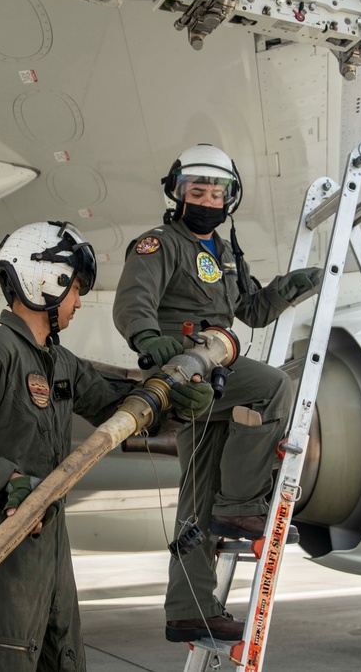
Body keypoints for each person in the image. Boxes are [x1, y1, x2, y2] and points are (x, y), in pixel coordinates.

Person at [0, 220, 214, 671]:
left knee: (62, 657)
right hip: (0, 542)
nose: (78, 302)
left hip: (51, 545)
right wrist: (10, 482)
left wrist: (176, 401)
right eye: (76, 288)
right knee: (0, 658)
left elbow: (121, 408)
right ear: (46, 281)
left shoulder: (61, 363)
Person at [112, 144, 322, 643]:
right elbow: (133, 303)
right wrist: (149, 343)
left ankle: (190, 611)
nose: (206, 198)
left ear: (230, 198)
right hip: (186, 367)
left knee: (194, 501)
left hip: (217, 376)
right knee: (273, 387)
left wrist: (291, 287)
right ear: (177, 193)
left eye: (215, 190)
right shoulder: (159, 245)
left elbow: (251, 310)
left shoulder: (224, 253)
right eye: (196, 189)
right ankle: (242, 502)